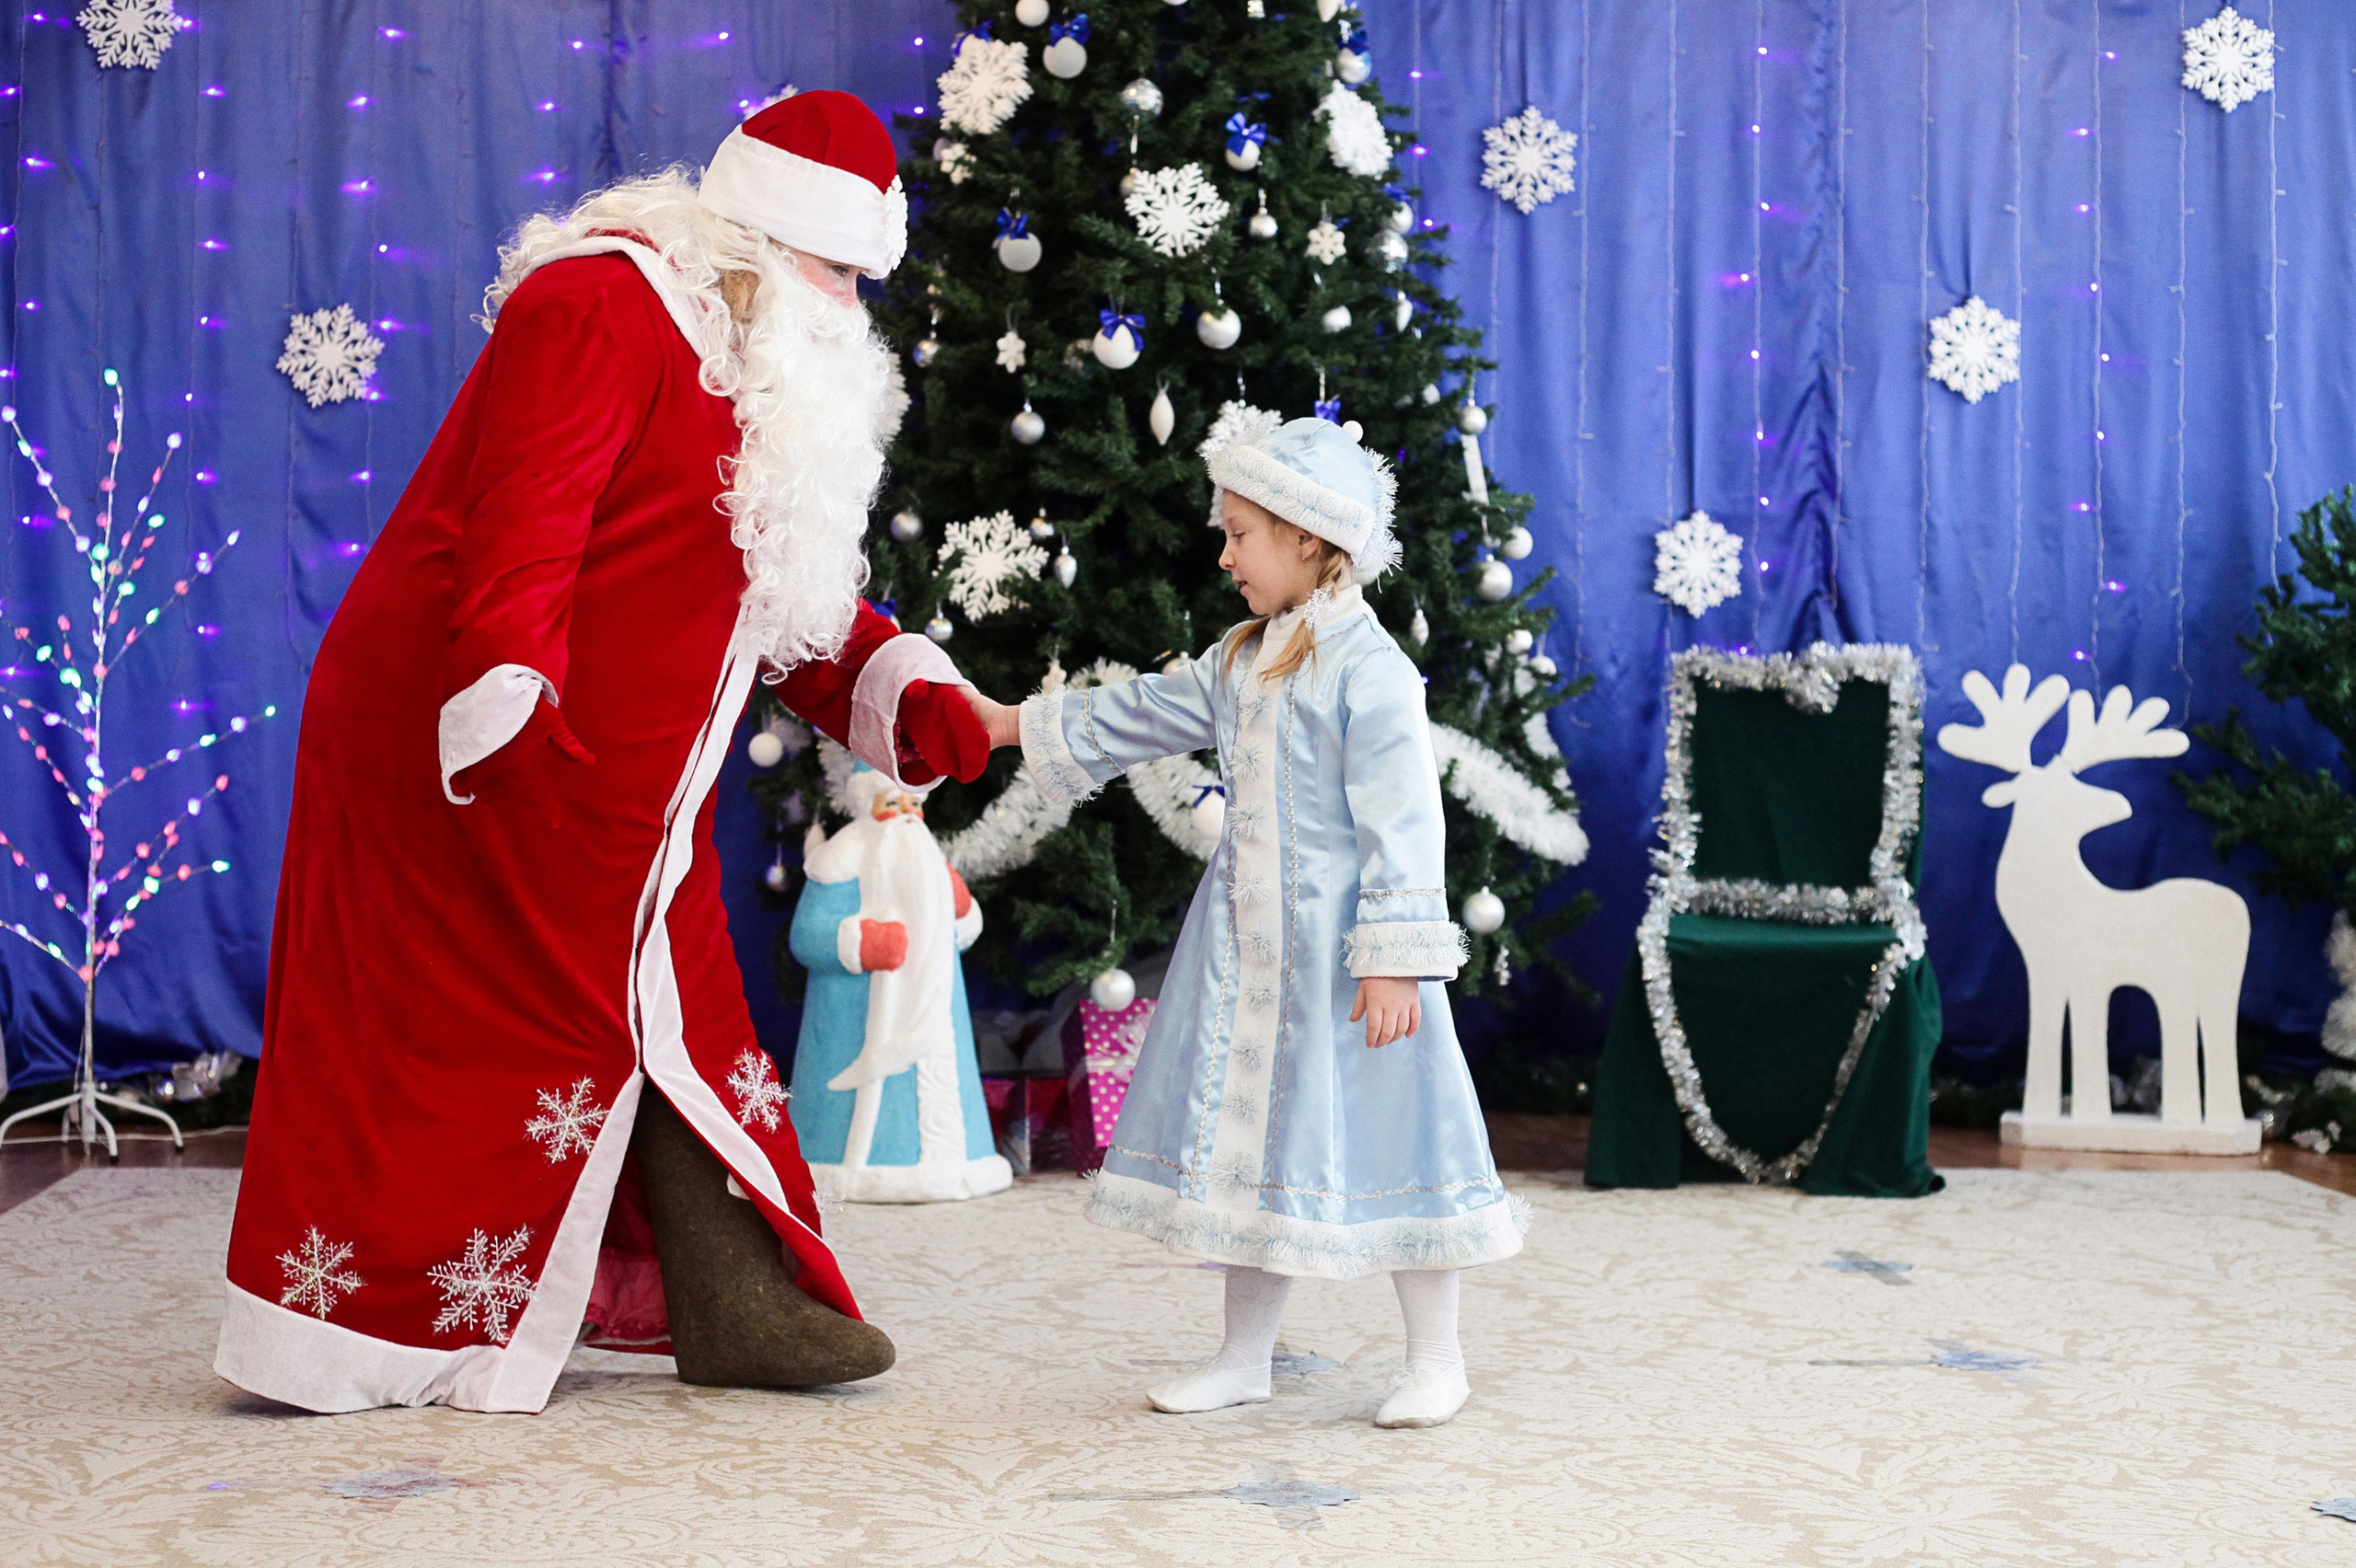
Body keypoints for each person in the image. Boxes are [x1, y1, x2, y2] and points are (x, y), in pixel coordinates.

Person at [215, 91, 994, 1415]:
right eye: (843, 272)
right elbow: (528, 510)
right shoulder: (603, 299)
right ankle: (371, 1323)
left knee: (668, 1008)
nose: (857, 308)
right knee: (467, 1038)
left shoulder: (751, 356)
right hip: (468, 736)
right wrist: (508, 699)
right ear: (768, 240)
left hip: (627, 771)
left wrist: (890, 682)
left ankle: (738, 1300)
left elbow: (767, 583)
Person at [973, 418, 1525, 1430]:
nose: (1223, 556)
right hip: (1246, 958)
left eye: (1240, 535)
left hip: (1352, 965)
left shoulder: (1372, 670)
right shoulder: (1241, 660)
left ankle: (1436, 1358)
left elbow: (1403, 823)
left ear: (1310, 540)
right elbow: (1137, 712)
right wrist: (1008, 723)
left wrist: (1395, 963)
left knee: (1403, 1137)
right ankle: (1242, 1356)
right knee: (1250, 1151)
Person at [786, 761, 1011, 1202]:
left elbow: (958, 934)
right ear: (866, 805)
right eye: (892, 803)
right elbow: (807, 936)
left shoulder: (930, 860)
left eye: (914, 803)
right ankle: (848, 1160)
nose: (907, 814)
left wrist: (962, 910)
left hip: (938, 1016)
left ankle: (954, 1157)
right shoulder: (840, 860)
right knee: (856, 1106)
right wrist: (861, 942)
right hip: (854, 1020)